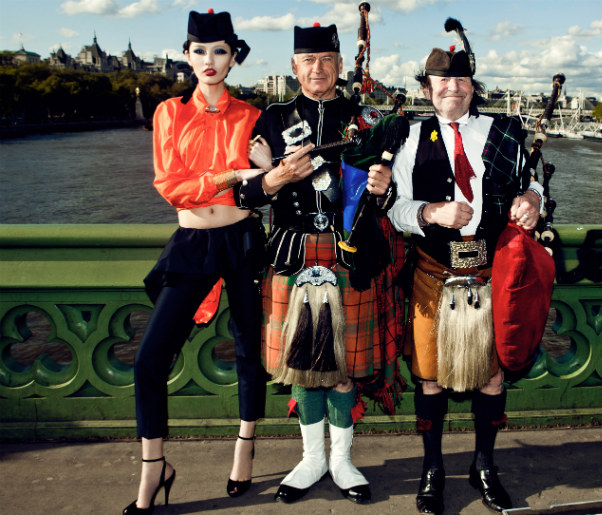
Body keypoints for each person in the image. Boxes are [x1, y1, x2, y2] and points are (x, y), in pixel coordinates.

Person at [237, 22, 404, 505]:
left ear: (338, 64)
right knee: (303, 366)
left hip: (349, 252)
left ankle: (342, 460)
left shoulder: (366, 118)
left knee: (345, 368)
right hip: (292, 254)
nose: (317, 68)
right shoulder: (271, 119)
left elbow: (392, 195)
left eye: (326, 59)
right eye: (308, 61)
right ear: (294, 67)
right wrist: (278, 175)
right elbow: (245, 194)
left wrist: (383, 186)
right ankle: (311, 459)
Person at [383, 36, 544, 514]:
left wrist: (533, 200)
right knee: (429, 378)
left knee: (492, 378)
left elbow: (534, 180)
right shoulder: (409, 137)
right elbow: (395, 210)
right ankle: (433, 470)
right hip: (433, 273)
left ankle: (484, 466)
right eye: (441, 79)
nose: (451, 86)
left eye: (460, 78)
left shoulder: (506, 131)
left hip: (493, 275)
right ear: (427, 87)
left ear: (473, 86)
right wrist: (430, 212)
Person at [124, 9, 267, 514]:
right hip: (192, 243)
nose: (210, 61)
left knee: (251, 348)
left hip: (242, 239)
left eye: (221, 51)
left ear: (234, 58)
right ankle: (154, 466)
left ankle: (244, 447)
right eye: (200, 51)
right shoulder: (168, 112)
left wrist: (266, 174)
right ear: (187, 56)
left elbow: (261, 190)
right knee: (148, 361)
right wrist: (231, 174)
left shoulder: (252, 116)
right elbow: (171, 188)